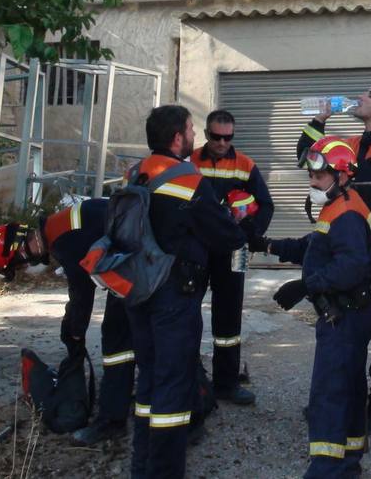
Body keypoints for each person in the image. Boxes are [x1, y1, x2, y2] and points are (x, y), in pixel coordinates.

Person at [126, 104, 246, 479]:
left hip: (138, 291)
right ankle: (164, 472)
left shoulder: (136, 173)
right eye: (192, 130)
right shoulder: (187, 180)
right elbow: (226, 235)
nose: (195, 136)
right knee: (173, 388)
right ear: (177, 138)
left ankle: (141, 467)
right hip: (174, 297)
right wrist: (238, 222)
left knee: (147, 380)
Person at [250, 136, 371, 478]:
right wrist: (268, 245)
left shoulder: (348, 213)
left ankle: (325, 469)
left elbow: (351, 267)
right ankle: (348, 464)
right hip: (350, 313)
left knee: (329, 394)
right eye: (310, 175)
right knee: (349, 389)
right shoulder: (339, 205)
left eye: (319, 176)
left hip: (346, 315)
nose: (312, 182)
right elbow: (315, 246)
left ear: (342, 175)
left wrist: (305, 285)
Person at [297, 82, 371, 434]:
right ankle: (339, 398)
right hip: (343, 250)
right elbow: (307, 153)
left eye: (368, 95)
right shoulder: (348, 144)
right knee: (342, 326)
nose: (360, 98)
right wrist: (320, 117)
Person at [0, 199, 133, 445]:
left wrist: (74, 332)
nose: (28, 266)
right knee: (141, 336)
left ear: (20, 251)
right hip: (146, 260)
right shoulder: (57, 226)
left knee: (117, 343)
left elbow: (82, 291)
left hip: (140, 268)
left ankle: (112, 421)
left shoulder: (62, 240)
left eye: (21, 264)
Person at [190, 108, 275, 406]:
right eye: (216, 137)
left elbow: (266, 205)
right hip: (197, 248)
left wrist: (248, 235)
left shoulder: (245, 165)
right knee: (187, 310)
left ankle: (226, 383)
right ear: (206, 134)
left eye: (228, 137)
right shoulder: (190, 162)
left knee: (229, 316)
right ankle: (192, 377)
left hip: (234, 251)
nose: (222, 142)